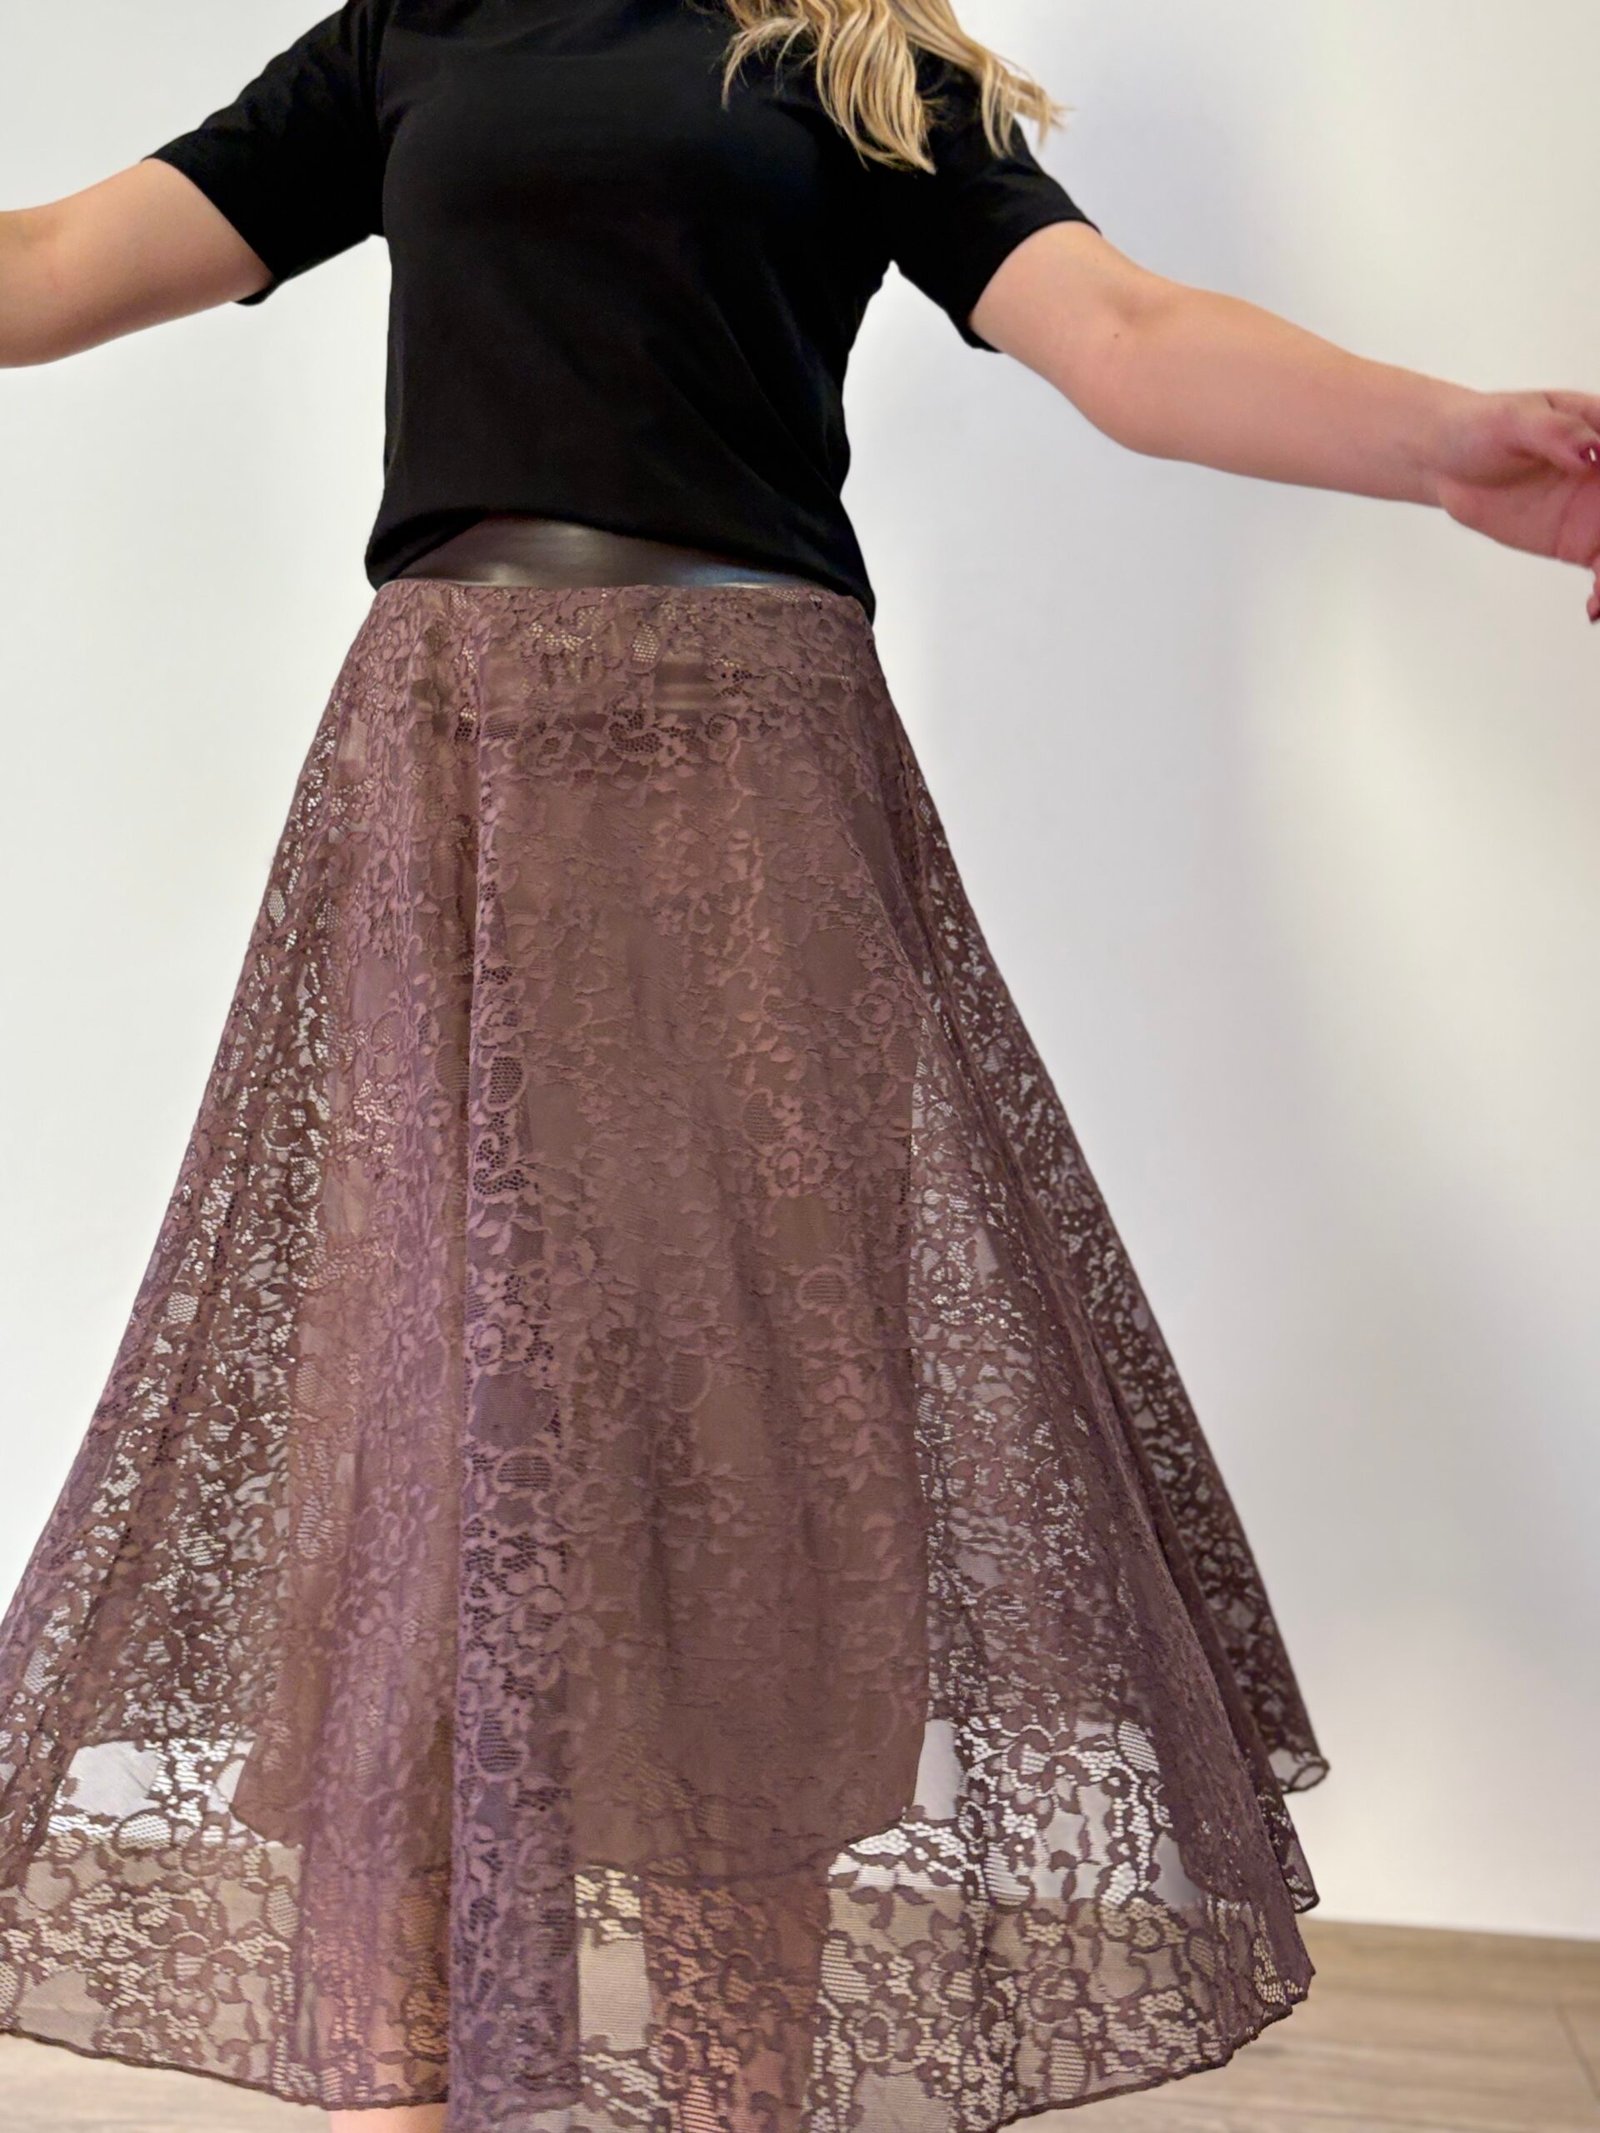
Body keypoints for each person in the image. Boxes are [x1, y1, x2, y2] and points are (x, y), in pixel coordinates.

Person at [0, 6, 1596, 2133]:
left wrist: (1444, 439)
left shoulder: (856, 56)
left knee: (739, 1449)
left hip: (745, 774)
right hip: (447, 758)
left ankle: (736, 2096)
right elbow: (41, 271)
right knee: (411, 1432)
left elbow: (1122, 332)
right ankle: (399, 2097)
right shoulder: (419, 25)